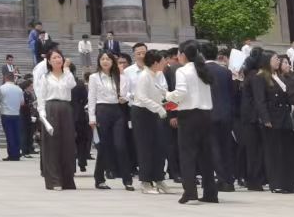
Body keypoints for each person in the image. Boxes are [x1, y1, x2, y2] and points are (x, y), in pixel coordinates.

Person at [171, 41, 218, 203]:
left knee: (187, 155)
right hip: (206, 115)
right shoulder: (203, 69)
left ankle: (190, 191)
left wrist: (168, 96)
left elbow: (181, 92)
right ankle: (211, 192)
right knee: (206, 155)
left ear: (183, 55)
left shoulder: (182, 71)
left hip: (188, 115)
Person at [88, 50, 133, 190]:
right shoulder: (94, 77)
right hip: (102, 110)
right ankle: (99, 179)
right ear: (99, 61)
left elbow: (128, 94)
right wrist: (92, 117)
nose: (105, 61)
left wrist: (124, 96)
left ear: (113, 61)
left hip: (118, 111)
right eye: (102, 59)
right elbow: (91, 98)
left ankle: (127, 180)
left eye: (108, 59)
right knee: (104, 146)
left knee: (121, 145)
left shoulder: (120, 76)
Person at [255, 50, 294, 193]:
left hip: (284, 117)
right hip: (273, 118)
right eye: (275, 59)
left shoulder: (279, 76)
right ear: (267, 60)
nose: (278, 61)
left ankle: (287, 182)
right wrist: (265, 118)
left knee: (285, 150)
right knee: (273, 152)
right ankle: (276, 183)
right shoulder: (261, 77)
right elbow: (260, 100)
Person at [35, 48, 76, 190]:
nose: (57, 60)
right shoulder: (45, 77)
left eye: (59, 57)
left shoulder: (67, 74)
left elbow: (72, 85)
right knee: (52, 145)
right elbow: (41, 97)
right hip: (50, 108)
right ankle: (54, 180)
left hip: (66, 108)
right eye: (54, 58)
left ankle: (67, 180)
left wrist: (67, 69)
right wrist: (42, 114)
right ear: (49, 61)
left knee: (67, 144)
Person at [132, 50, 172, 193]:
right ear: (155, 63)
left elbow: (161, 91)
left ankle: (159, 178)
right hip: (142, 113)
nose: (165, 63)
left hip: (154, 112)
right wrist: (159, 108)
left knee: (159, 147)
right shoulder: (144, 76)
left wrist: (171, 98)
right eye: (162, 61)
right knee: (145, 148)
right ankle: (145, 182)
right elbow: (142, 97)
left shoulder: (157, 74)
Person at [206, 45, 237, 192]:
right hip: (226, 113)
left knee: (214, 148)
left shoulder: (201, 71)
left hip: (210, 113)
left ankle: (222, 179)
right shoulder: (225, 71)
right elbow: (232, 93)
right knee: (226, 147)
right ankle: (229, 179)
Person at [239, 48, 269, 191]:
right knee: (255, 150)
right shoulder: (256, 76)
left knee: (251, 150)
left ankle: (251, 178)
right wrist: (264, 117)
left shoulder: (248, 75)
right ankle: (254, 180)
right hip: (253, 117)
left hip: (247, 116)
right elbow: (259, 99)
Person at [0, 75, 24, 160]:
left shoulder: (2, 88)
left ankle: (12, 154)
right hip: (16, 114)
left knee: (9, 135)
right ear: (13, 79)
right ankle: (17, 153)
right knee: (16, 134)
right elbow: (22, 103)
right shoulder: (19, 89)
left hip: (6, 113)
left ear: (5, 78)